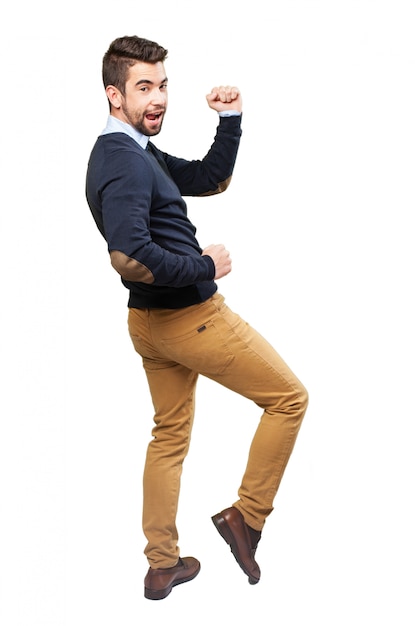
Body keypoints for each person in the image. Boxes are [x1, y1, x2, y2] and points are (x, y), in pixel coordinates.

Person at [86, 35, 308, 601]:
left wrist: (229, 119)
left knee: (168, 435)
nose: (157, 97)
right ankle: (247, 518)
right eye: (143, 87)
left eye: (162, 85)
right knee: (288, 399)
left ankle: (162, 565)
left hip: (150, 326)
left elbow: (211, 178)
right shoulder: (124, 162)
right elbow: (129, 256)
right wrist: (203, 263)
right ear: (114, 95)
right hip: (192, 321)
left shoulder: (136, 150)